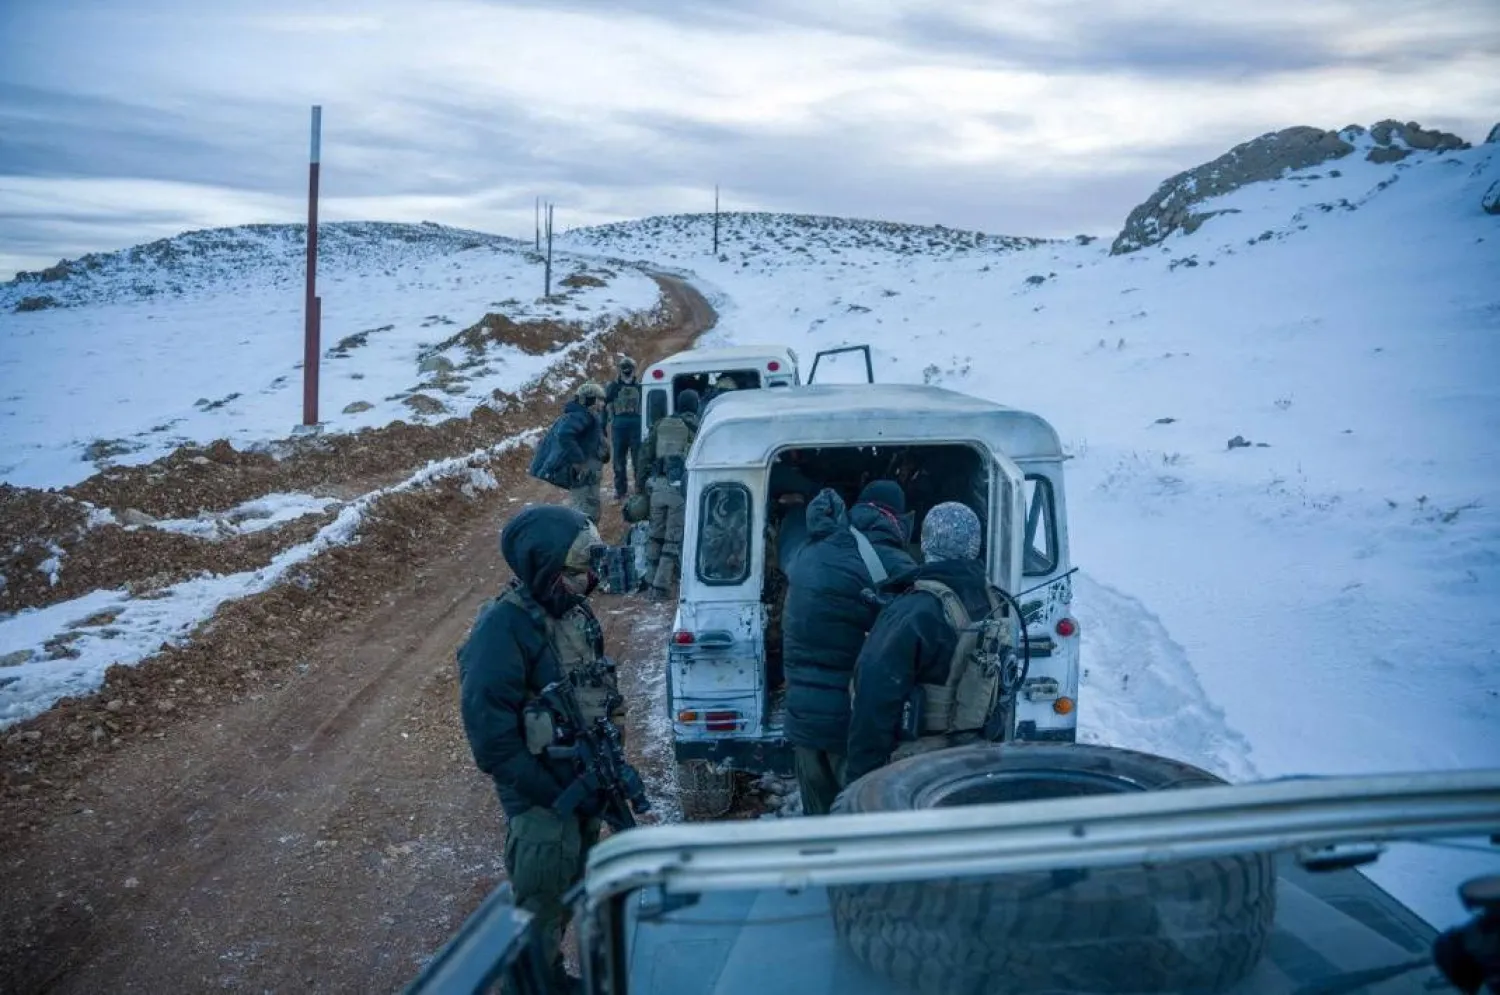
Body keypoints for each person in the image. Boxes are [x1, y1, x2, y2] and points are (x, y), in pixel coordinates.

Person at [456, 505, 618, 991]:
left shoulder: (573, 613)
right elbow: (492, 742)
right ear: (543, 568)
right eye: (575, 571)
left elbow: (599, 686)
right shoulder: (502, 629)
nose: (588, 582)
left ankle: (549, 977)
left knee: (570, 888)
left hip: (582, 783)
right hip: (541, 801)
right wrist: (554, 792)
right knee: (540, 902)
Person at [778, 480, 916, 815]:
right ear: (896, 518)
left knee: (819, 822)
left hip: (803, 720)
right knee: (859, 819)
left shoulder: (810, 551)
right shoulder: (893, 564)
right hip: (852, 725)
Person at [845, 501, 1007, 786]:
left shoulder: (915, 609)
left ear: (925, 541)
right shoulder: (993, 599)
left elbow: (874, 697)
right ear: (975, 544)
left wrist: (860, 778)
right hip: (974, 759)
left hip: (917, 766)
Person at [636, 388, 701, 599]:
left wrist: (641, 487)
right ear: (695, 406)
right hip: (678, 488)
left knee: (655, 536)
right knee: (672, 540)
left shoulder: (662, 424)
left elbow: (644, 455)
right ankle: (660, 588)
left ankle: (649, 579)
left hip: (657, 486)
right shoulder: (698, 426)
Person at [532, 382, 608, 524]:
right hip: (584, 475)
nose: (603, 404)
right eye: (600, 400)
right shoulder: (580, 415)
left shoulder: (589, 416)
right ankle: (583, 536)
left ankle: (588, 535)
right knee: (585, 510)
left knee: (590, 507)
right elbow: (565, 435)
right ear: (589, 399)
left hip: (590, 474)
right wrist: (579, 460)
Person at [604, 357, 643, 501]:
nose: (626, 370)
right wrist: (602, 425)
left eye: (629, 368)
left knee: (638, 459)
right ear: (620, 370)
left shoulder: (640, 387)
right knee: (619, 460)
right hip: (619, 426)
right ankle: (621, 490)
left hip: (636, 425)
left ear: (633, 370)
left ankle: (640, 488)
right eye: (624, 368)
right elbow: (604, 405)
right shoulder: (613, 387)